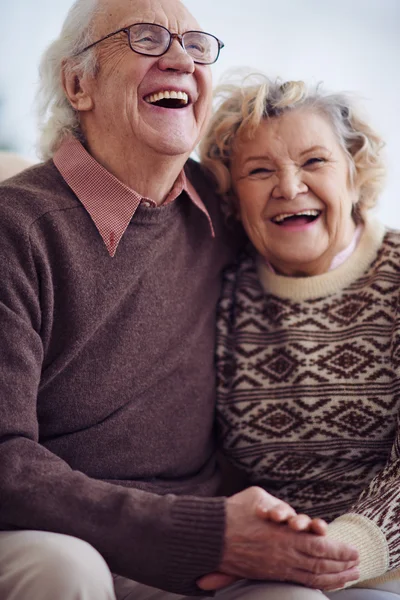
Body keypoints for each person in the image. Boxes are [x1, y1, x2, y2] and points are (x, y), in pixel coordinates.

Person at [0, 2, 360, 598]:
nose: (179, 60)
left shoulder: (223, 210)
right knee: (67, 569)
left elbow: (330, 230)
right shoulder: (16, 228)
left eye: (196, 46)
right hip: (50, 532)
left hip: (201, 544)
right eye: (146, 39)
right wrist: (200, 532)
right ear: (77, 83)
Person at [200, 74, 400, 599]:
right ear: (233, 197)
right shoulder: (223, 290)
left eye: (314, 162)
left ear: (356, 174)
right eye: (259, 170)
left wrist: (327, 553)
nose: (289, 188)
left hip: (383, 572)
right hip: (262, 572)